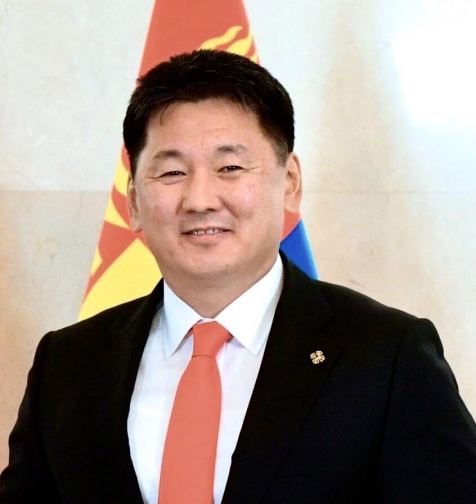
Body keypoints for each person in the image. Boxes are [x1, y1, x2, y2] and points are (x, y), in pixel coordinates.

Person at [1, 50, 475, 504]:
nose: (200, 199)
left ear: (290, 183)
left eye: (230, 167)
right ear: (134, 203)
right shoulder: (68, 364)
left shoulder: (387, 355)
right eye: (171, 172)